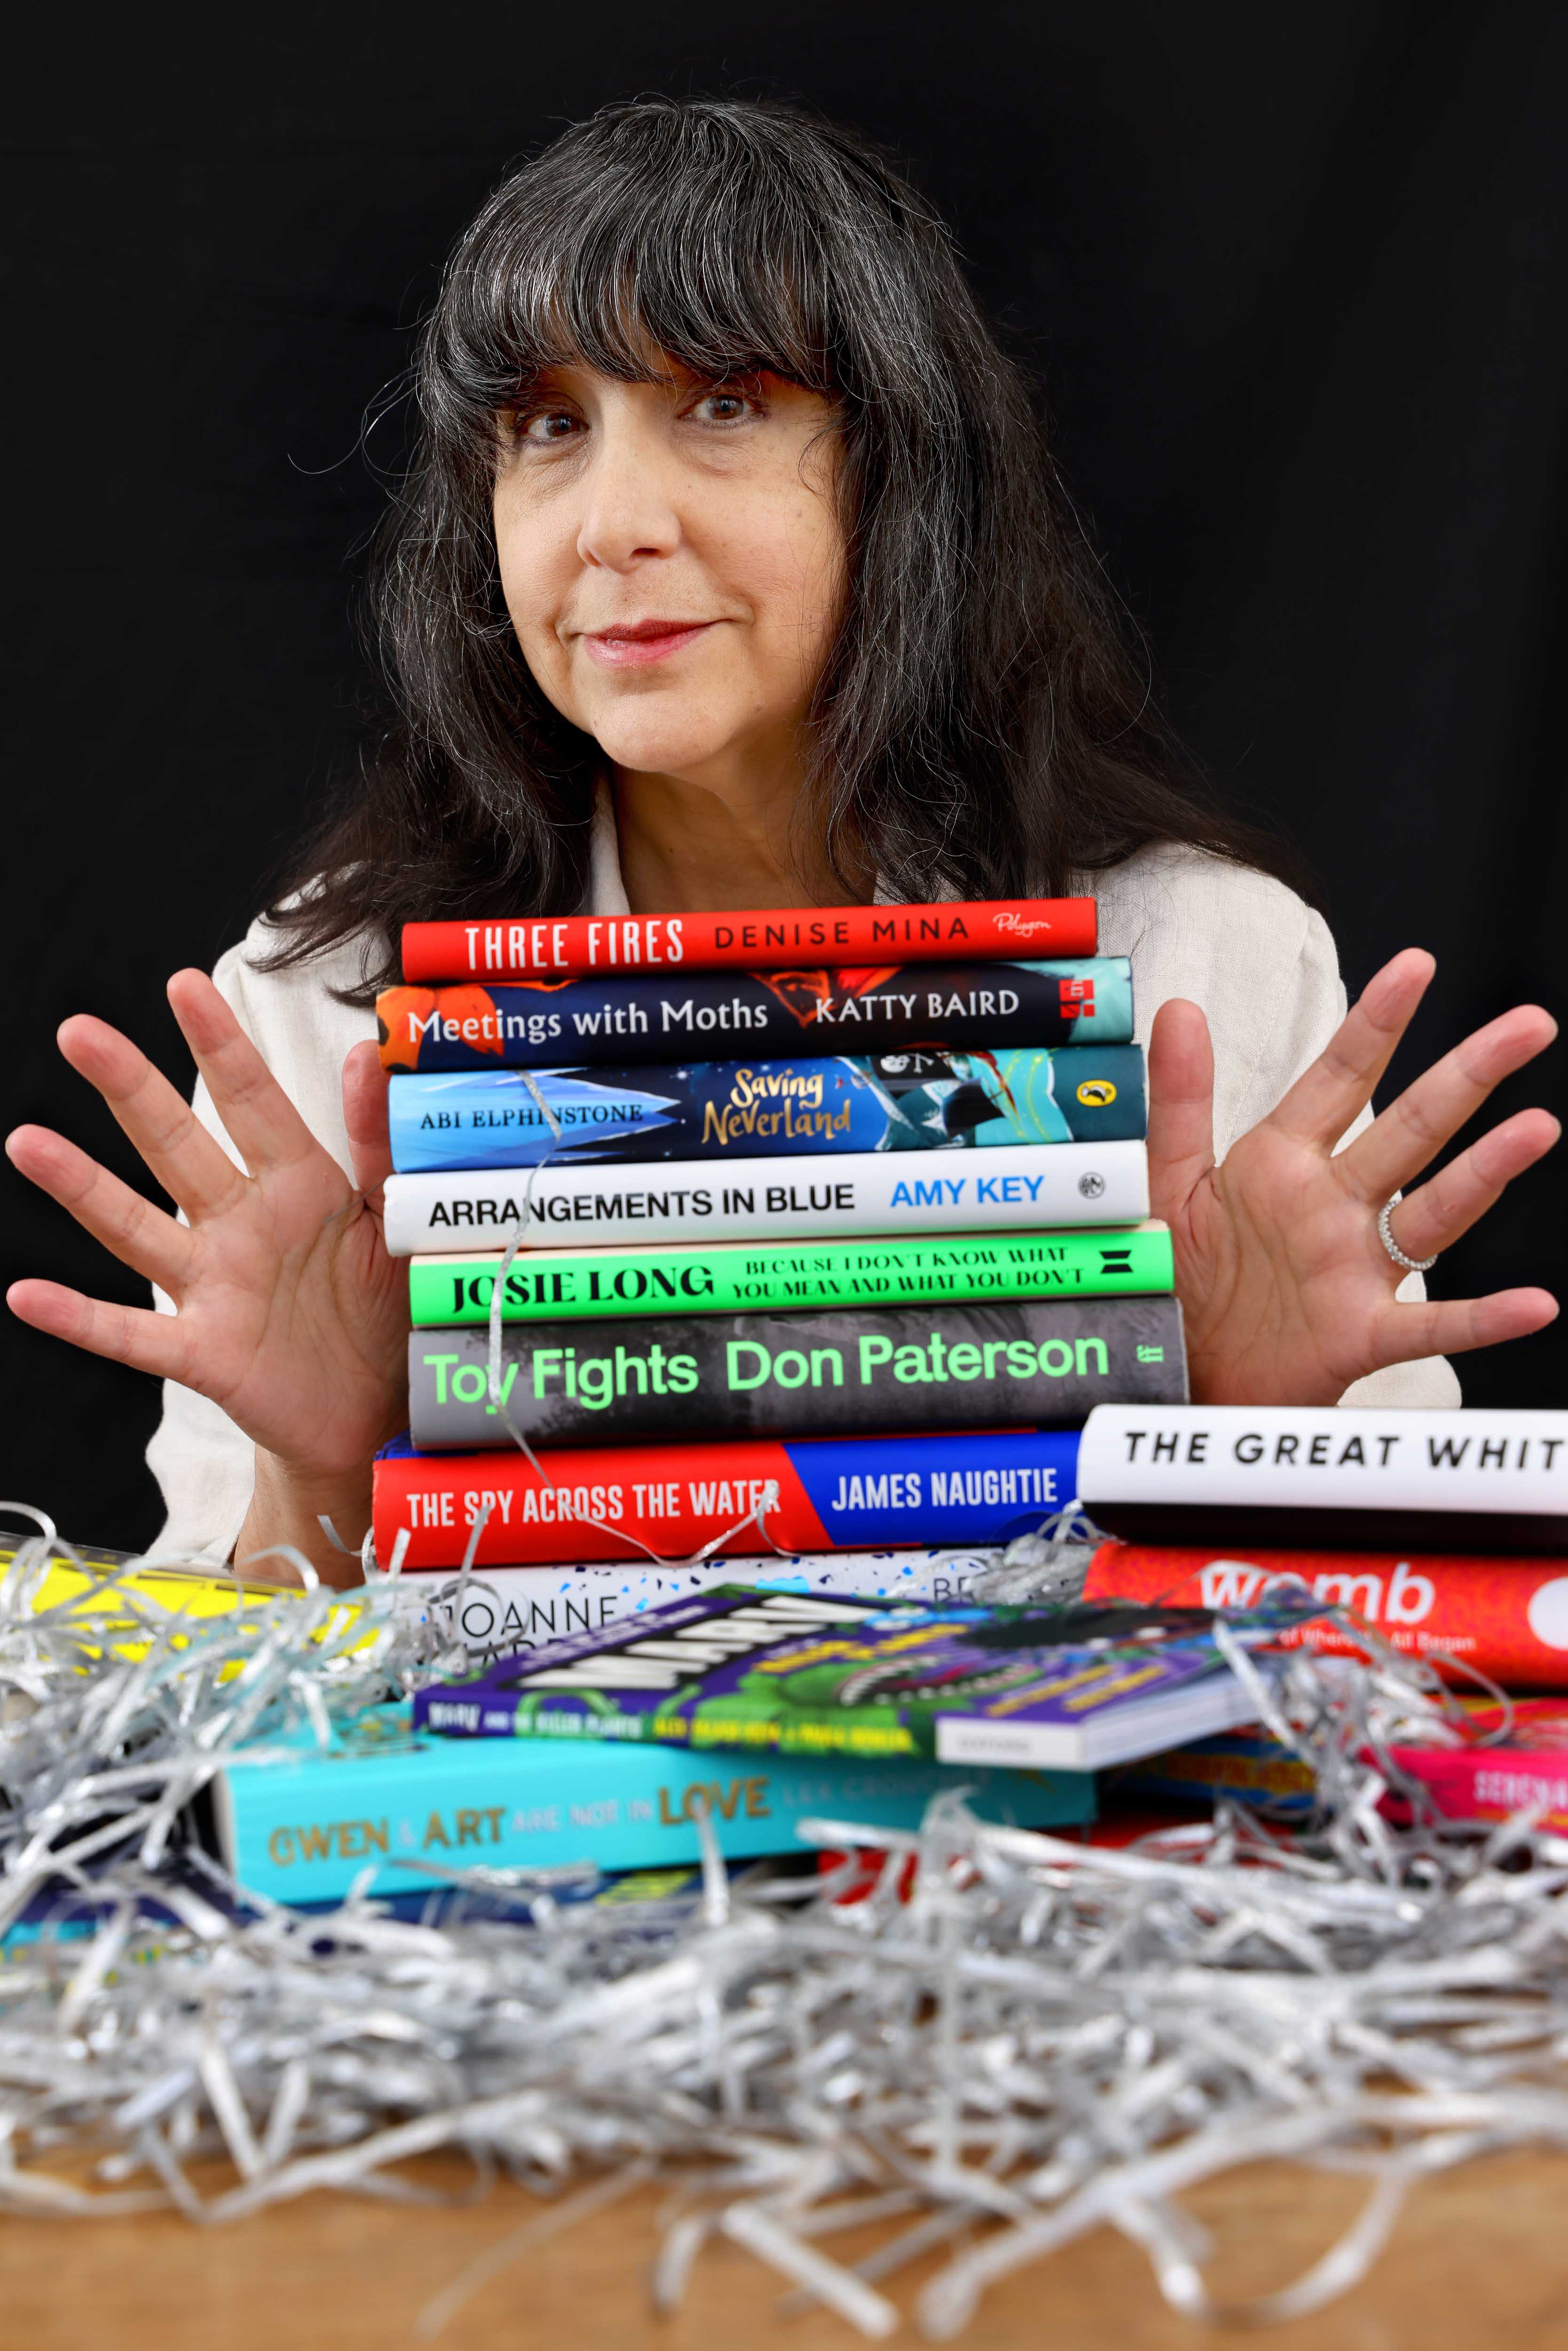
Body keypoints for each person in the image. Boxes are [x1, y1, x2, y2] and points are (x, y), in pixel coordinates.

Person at [5, 99, 1558, 1588]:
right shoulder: (326, 1014)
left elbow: (1390, 1694)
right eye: (548, 426)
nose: (612, 519)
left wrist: (1238, 1436)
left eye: (724, 405)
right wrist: (326, 1475)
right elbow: (235, 1720)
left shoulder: (1194, 967)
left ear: (906, 478)